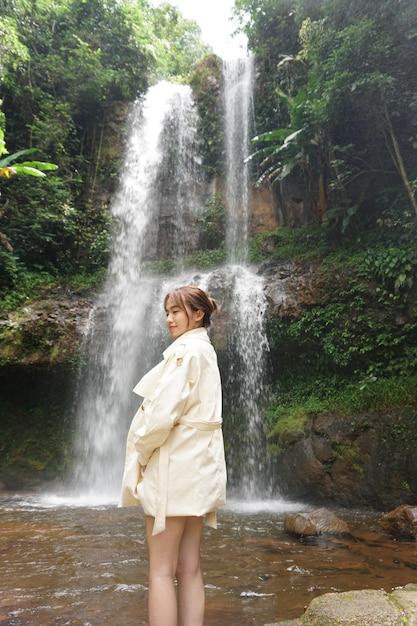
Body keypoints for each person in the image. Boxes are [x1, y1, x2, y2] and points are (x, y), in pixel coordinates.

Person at [119, 285, 227, 626]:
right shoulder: (205, 351)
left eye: (176, 311)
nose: (169, 319)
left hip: (174, 469)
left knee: (162, 572)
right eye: (167, 312)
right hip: (198, 469)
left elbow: (160, 419)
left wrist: (141, 450)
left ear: (198, 315)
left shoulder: (185, 354)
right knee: (189, 567)